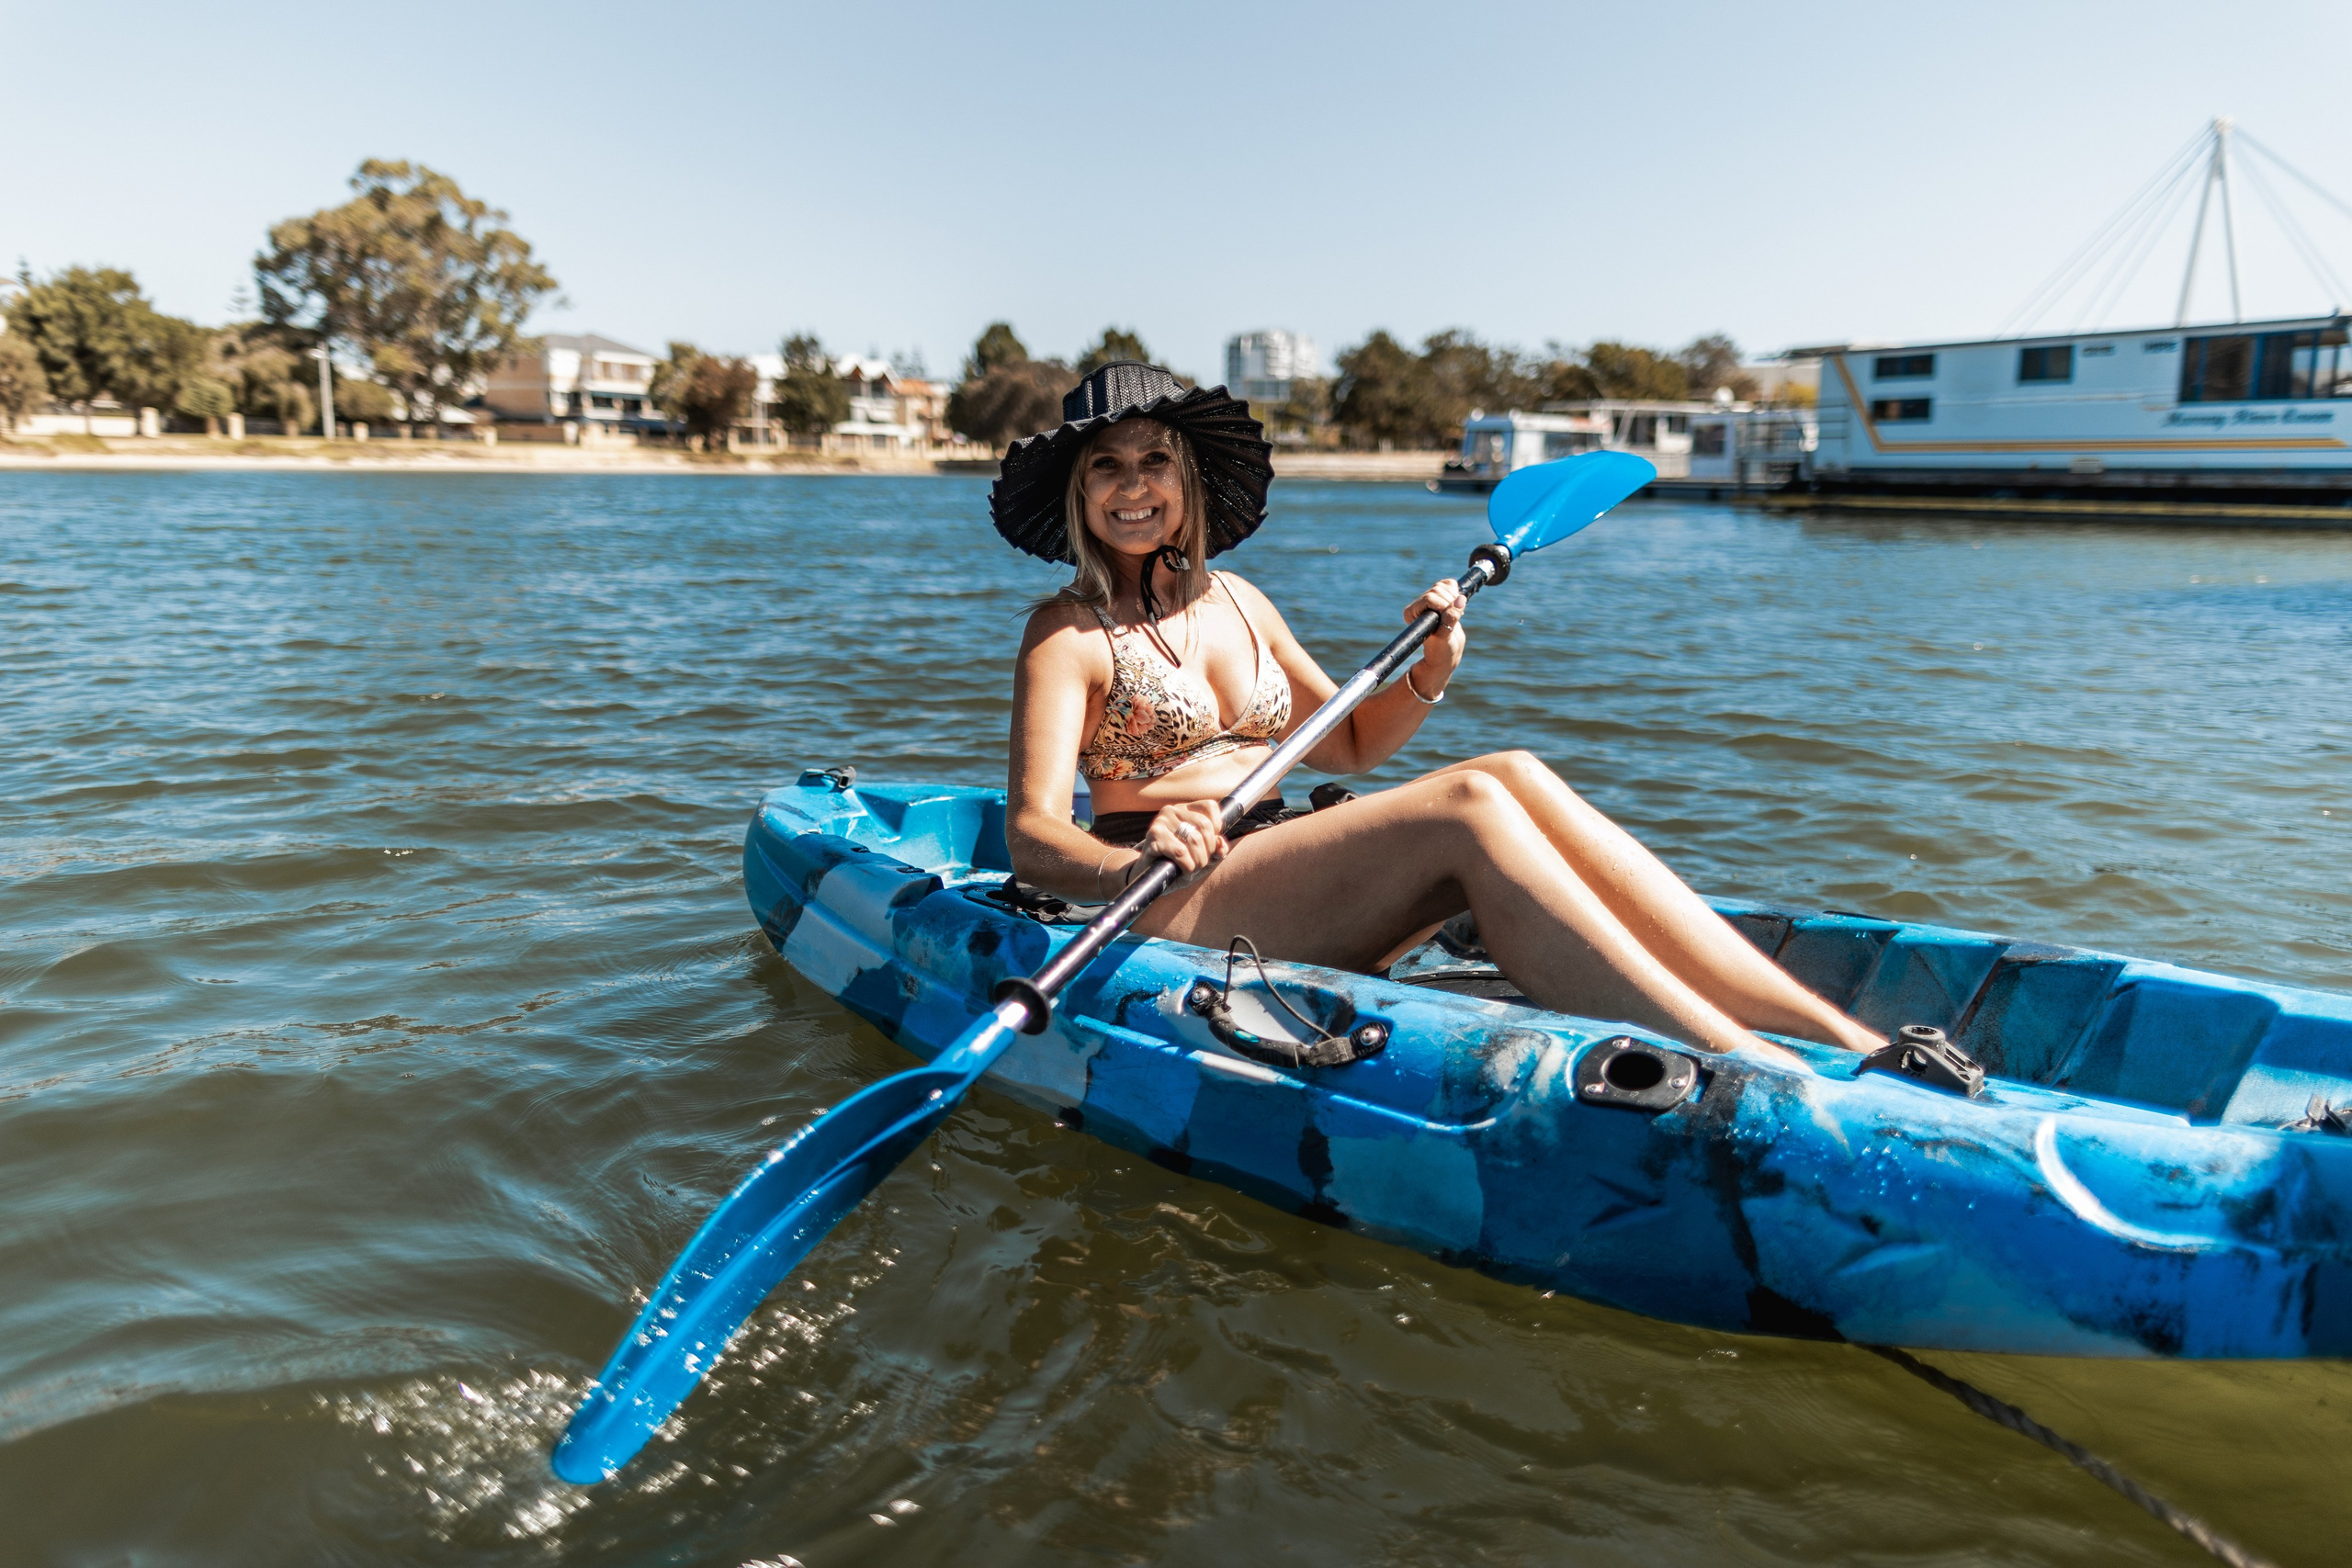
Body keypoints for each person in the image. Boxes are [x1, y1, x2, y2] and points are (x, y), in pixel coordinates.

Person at [999, 363, 1883, 1057]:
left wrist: (1431, 666)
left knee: (1511, 772)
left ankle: (1843, 1037)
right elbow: (1034, 838)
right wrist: (1135, 859)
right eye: (1106, 466)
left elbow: (1345, 746)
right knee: (1468, 809)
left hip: (1273, 861)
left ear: (1186, 477)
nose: (1132, 485)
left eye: (1154, 459)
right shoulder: (1065, 634)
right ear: (1080, 493)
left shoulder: (1241, 601)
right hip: (1167, 893)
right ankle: (1755, 1066)